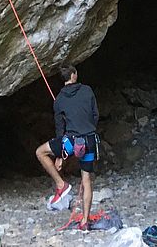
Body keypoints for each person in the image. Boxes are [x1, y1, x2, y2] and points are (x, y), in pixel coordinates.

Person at [35, 64, 100, 229]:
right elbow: (95, 115)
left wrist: (59, 155)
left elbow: (60, 129)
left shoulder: (59, 101)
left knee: (40, 152)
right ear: (74, 75)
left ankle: (60, 184)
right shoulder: (87, 90)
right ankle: (85, 221)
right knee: (86, 181)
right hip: (89, 141)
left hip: (70, 143)